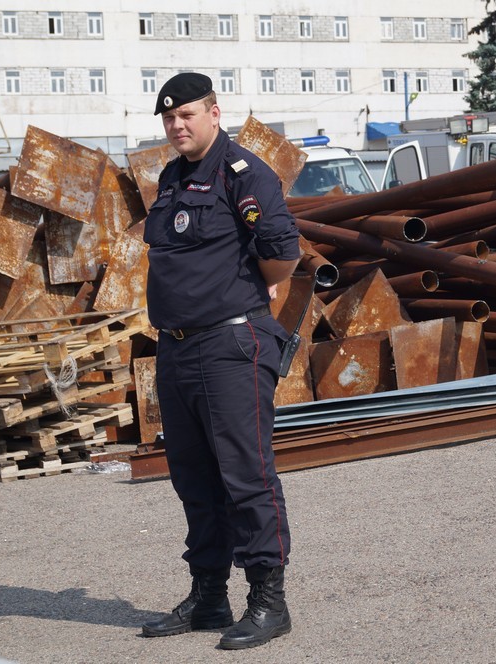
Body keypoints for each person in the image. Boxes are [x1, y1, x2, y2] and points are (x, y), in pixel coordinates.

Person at [139, 72, 301, 650]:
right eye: (168, 118)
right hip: (177, 347)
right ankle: (209, 595)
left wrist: (247, 296)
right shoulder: (171, 177)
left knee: (246, 476)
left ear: (213, 112)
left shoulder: (244, 174)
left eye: (186, 115)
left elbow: (282, 253)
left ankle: (268, 601)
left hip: (231, 344)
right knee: (193, 477)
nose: (176, 126)